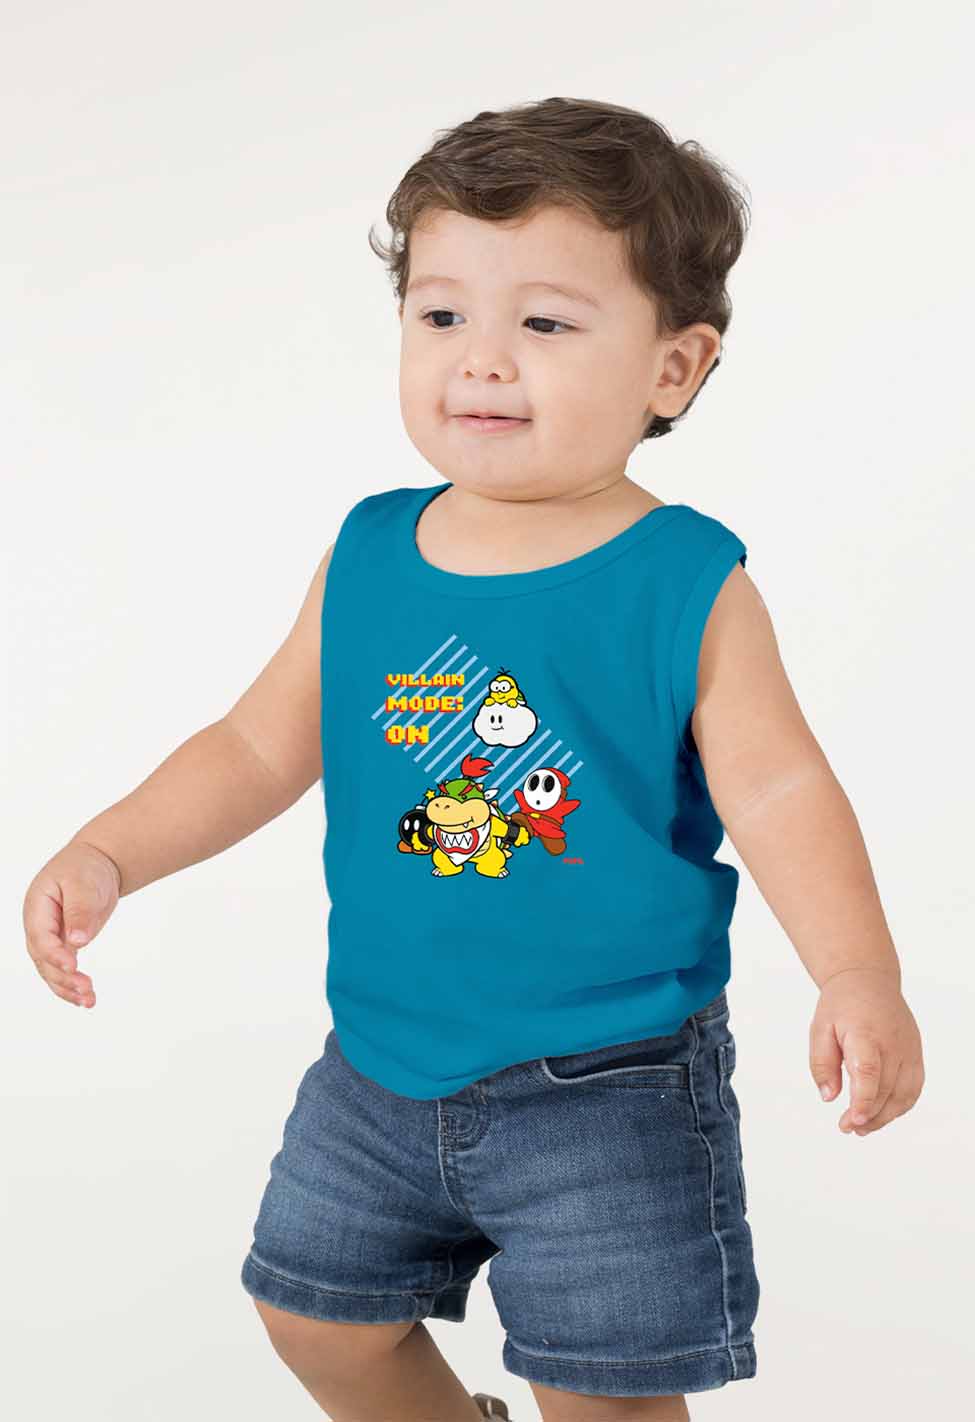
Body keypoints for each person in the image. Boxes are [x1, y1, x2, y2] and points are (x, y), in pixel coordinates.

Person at [22, 96, 925, 1422]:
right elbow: (257, 744)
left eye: (545, 324)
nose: (482, 361)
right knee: (311, 1312)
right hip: (379, 1065)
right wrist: (111, 850)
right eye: (442, 315)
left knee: (604, 1394)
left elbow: (781, 789)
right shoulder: (371, 551)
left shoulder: (683, 581)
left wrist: (858, 971)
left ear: (674, 369)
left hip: (610, 1081)